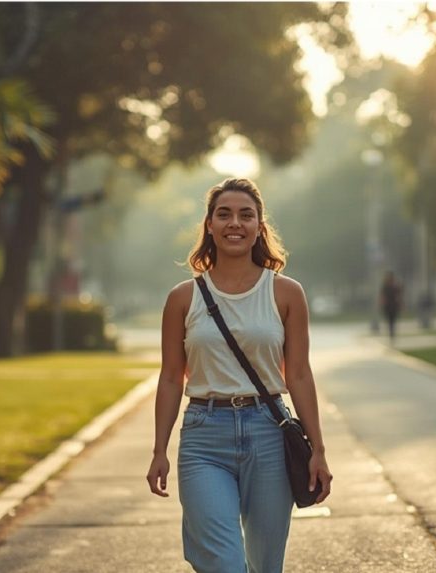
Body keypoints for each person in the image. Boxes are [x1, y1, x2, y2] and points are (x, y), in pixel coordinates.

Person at [146, 177, 333, 573]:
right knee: (224, 563)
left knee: (266, 565)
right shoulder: (182, 298)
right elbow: (169, 378)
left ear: (259, 228)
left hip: (268, 433)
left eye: (246, 215)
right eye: (224, 214)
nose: (235, 223)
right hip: (203, 435)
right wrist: (159, 449)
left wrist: (317, 448)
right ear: (209, 226)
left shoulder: (286, 294)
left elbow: (298, 374)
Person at [379, 271, 403, 342]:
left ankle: (392, 333)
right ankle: (391, 332)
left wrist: (400, 304)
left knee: (393, 320)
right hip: (387, 307)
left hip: (394, 306)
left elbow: (398, 296)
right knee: (389, 320)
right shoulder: (385, 287)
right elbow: (382, 297)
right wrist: (381, 303)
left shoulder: (395, 287)